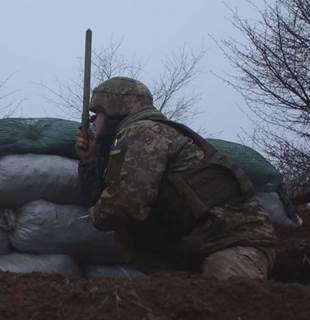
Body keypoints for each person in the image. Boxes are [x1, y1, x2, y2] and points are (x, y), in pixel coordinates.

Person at [75, 76, 276, 280]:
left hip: (233, 243)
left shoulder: (143, 132)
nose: (93, 121)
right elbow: (103, 196)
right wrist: (90, 159)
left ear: (112, 109)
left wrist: (96, 215)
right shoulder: (129, 138)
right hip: (198, 247)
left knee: (224, 303)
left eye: (96, 114)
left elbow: (126, 204)